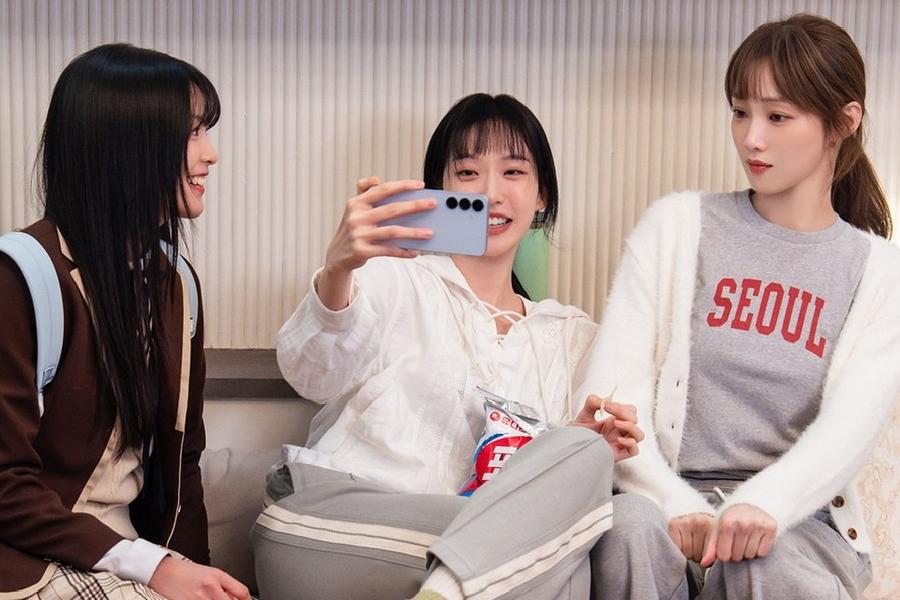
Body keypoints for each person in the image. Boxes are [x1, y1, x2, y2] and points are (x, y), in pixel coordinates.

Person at [252, 93, 644, 599]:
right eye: (467, 173)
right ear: (440, 190)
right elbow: (311, 373)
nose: (491, 193)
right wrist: (339, 269)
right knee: (546, 556)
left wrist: (582, 446)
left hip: (458, 545)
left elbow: (545, 496)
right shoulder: (394, 279)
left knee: (575, 481)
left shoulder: (573, 338)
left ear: (542, 194)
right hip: (327, 520)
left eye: (513, 172)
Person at [581, 14, 900, 600]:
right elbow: (615, 400)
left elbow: (850, 428)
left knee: (758, 563)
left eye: (777, 117)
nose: (752, 138)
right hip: (668, 506)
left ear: (843, 122)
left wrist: (762, 505)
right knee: (625, 531)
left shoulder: (880, 274)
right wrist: (672, 502)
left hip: (800, 524)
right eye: (739, 112)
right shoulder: (675, 228)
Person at [0, 44, 249, 600]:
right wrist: (151, 566)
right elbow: (4, 487)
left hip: (127, 556)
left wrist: (198, 574)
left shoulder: (175, 283)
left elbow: (182, 464)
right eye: (192, 132)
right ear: (124, 143)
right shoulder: (20, 277)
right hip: (31, 560)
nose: (211, 154)